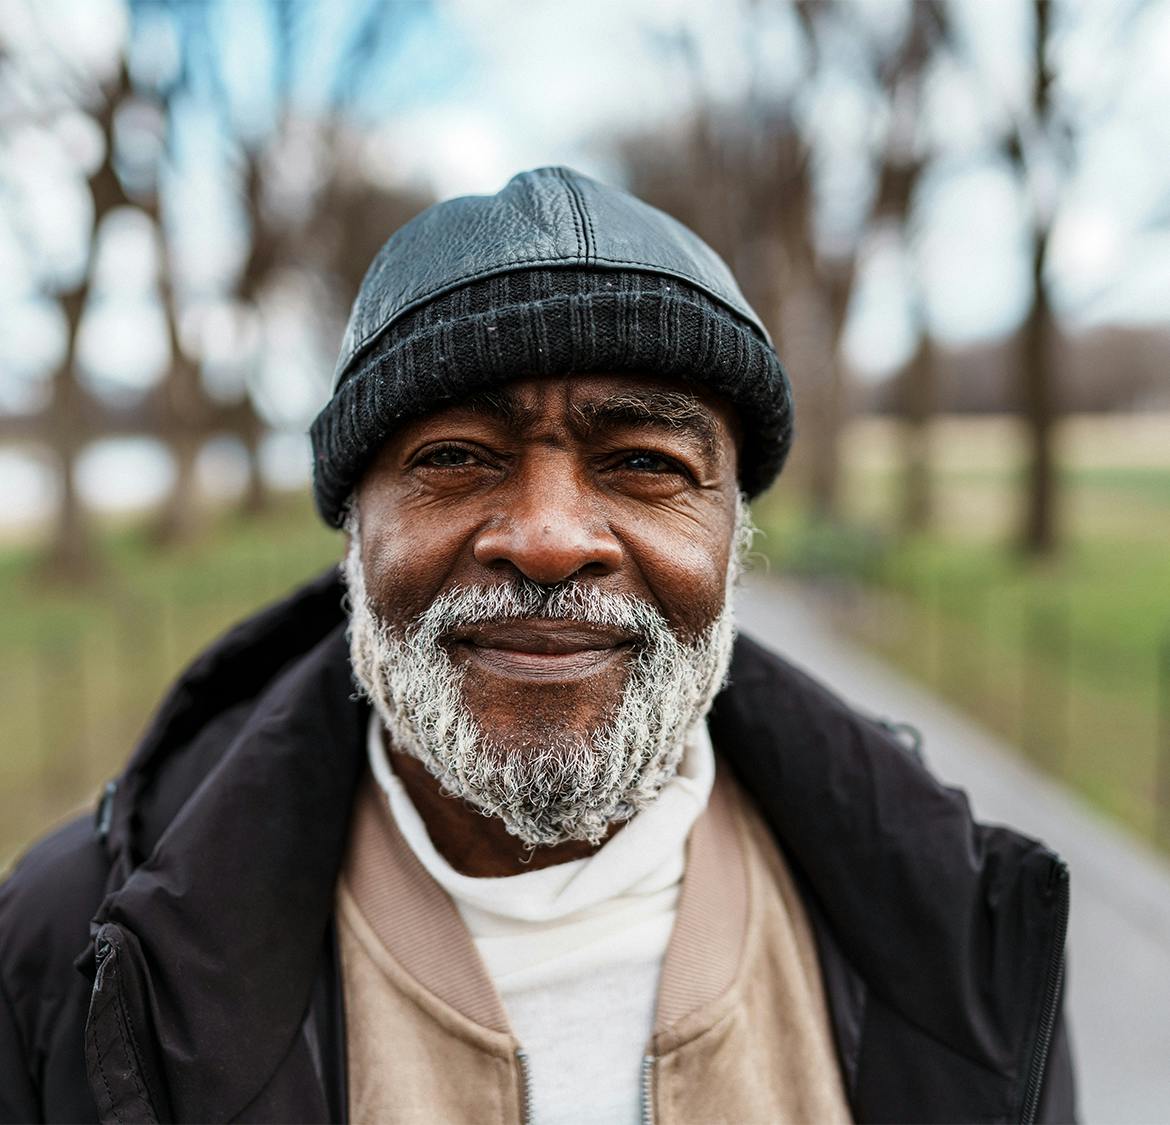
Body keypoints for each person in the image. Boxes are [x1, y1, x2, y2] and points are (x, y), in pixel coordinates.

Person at [0, 166, 1074, 1124]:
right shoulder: (68, 954)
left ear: (733, 536)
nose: (551, 540)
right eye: (456, 455)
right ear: (354, 534)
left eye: (645, 463)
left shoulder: (964, 929)